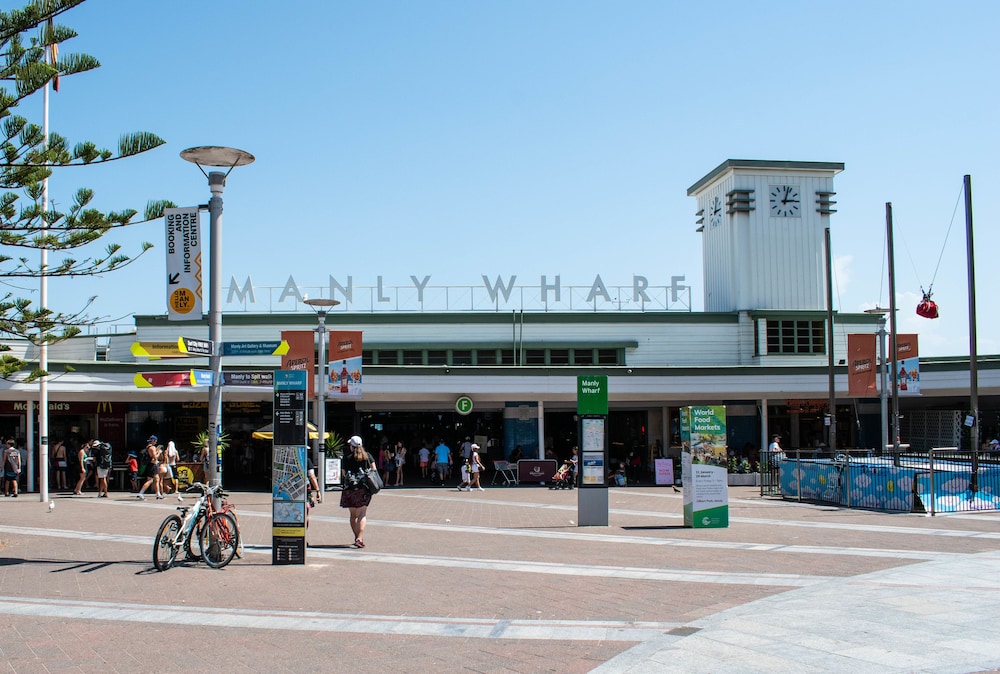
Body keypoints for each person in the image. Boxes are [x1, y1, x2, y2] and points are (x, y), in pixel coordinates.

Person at [340, 435, 375, 548]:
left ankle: (357, 537)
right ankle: (360, 538)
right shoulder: (367, 456)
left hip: (349, 489)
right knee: (362, 514)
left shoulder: (346, 457)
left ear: (352, 446)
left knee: (353, 515)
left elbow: (344, 473)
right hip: (363, 488)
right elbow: (374, 469)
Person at [137, 435, 162, 500]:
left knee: (157, 479)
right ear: (153, 441)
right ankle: (141, 493)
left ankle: (158, 494)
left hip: (150, 465)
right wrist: (159, 452)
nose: (156, 442)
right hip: (153, 465)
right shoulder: (152, 447)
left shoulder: (148, 447)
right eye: (155, 441)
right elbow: (155, 457)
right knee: (150, 480)